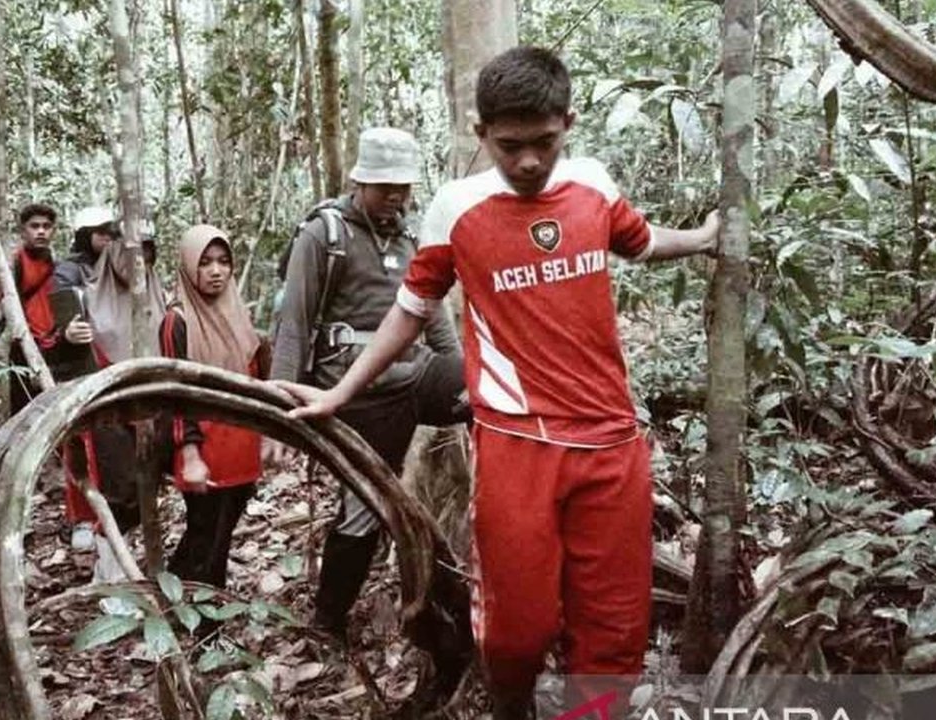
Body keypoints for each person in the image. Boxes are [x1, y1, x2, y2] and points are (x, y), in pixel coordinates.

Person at [277, 47, 720, 719]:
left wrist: (707, 236)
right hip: (517, 444)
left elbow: (641, 242)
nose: (529, 162)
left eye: (545, 142)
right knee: (517, 631)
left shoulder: (594, 185)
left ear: (568, 122)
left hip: (610, 443)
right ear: (480, 132)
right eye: (510, 146)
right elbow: (410, 310)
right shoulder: (457, 208)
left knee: (614, 628)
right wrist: (339, 393)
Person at [271, 127, 470, 639]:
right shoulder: (324, 234)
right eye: (386, 188)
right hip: (356, 394)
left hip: (414, 374)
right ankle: (328, 620)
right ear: (360, 182)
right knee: (364, 510)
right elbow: (293, 320)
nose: (396, 197)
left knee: (488, 391)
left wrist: (461, 374)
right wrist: (274, 407)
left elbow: (433, 315)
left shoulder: (409, 238)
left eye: (403, 188)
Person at [160, 225, 269, 602]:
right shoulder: (177, 320)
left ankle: (171, 602)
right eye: (205, 263)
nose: (215, 271)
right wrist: (189, 455)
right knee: (209, 536)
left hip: (241, 443)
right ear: (190, 268)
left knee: (215, 535)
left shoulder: (237, 312)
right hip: (204, 447)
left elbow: (257, 378)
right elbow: (176, 394)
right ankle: (206, 631)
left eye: (223, 262)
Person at [51, 206, 168, 553]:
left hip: (149, 406)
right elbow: (54, 348)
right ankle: (103, 553)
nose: (136, 263)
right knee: (114, 490)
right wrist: (67, 337)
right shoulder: (81, 289)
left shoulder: (160, 295)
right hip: (103, 410)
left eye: (145, 254)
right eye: (129, 254)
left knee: (143, 491)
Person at [5, 203, 60, 415]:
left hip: (52, 343)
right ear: (23, 230)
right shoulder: (16, 261)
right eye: (34, 226)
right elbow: (8, 302)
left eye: (46, 226)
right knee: (23, 407)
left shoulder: (54, 262)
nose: (41, 231)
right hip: (23, 342)